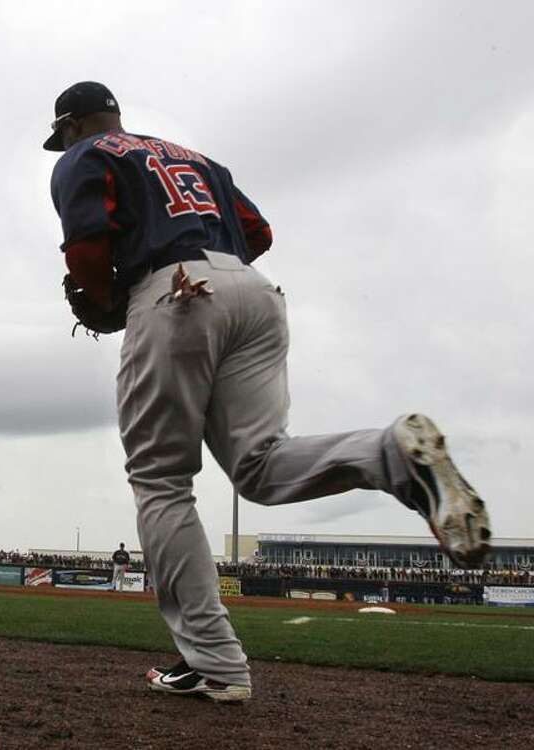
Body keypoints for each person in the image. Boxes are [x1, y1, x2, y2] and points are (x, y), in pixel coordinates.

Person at [43, 81, 492, 703]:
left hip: (174, 290)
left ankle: (216, 663)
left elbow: (87, 248)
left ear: (72, 126)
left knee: (161, 481)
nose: (63, 145)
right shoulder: (195, 158)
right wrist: (216, 267)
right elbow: (259, 231)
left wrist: (105, 293)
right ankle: (390, 453)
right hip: (254, 291)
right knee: (260, 464)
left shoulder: (85, 156)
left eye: (62, 135)